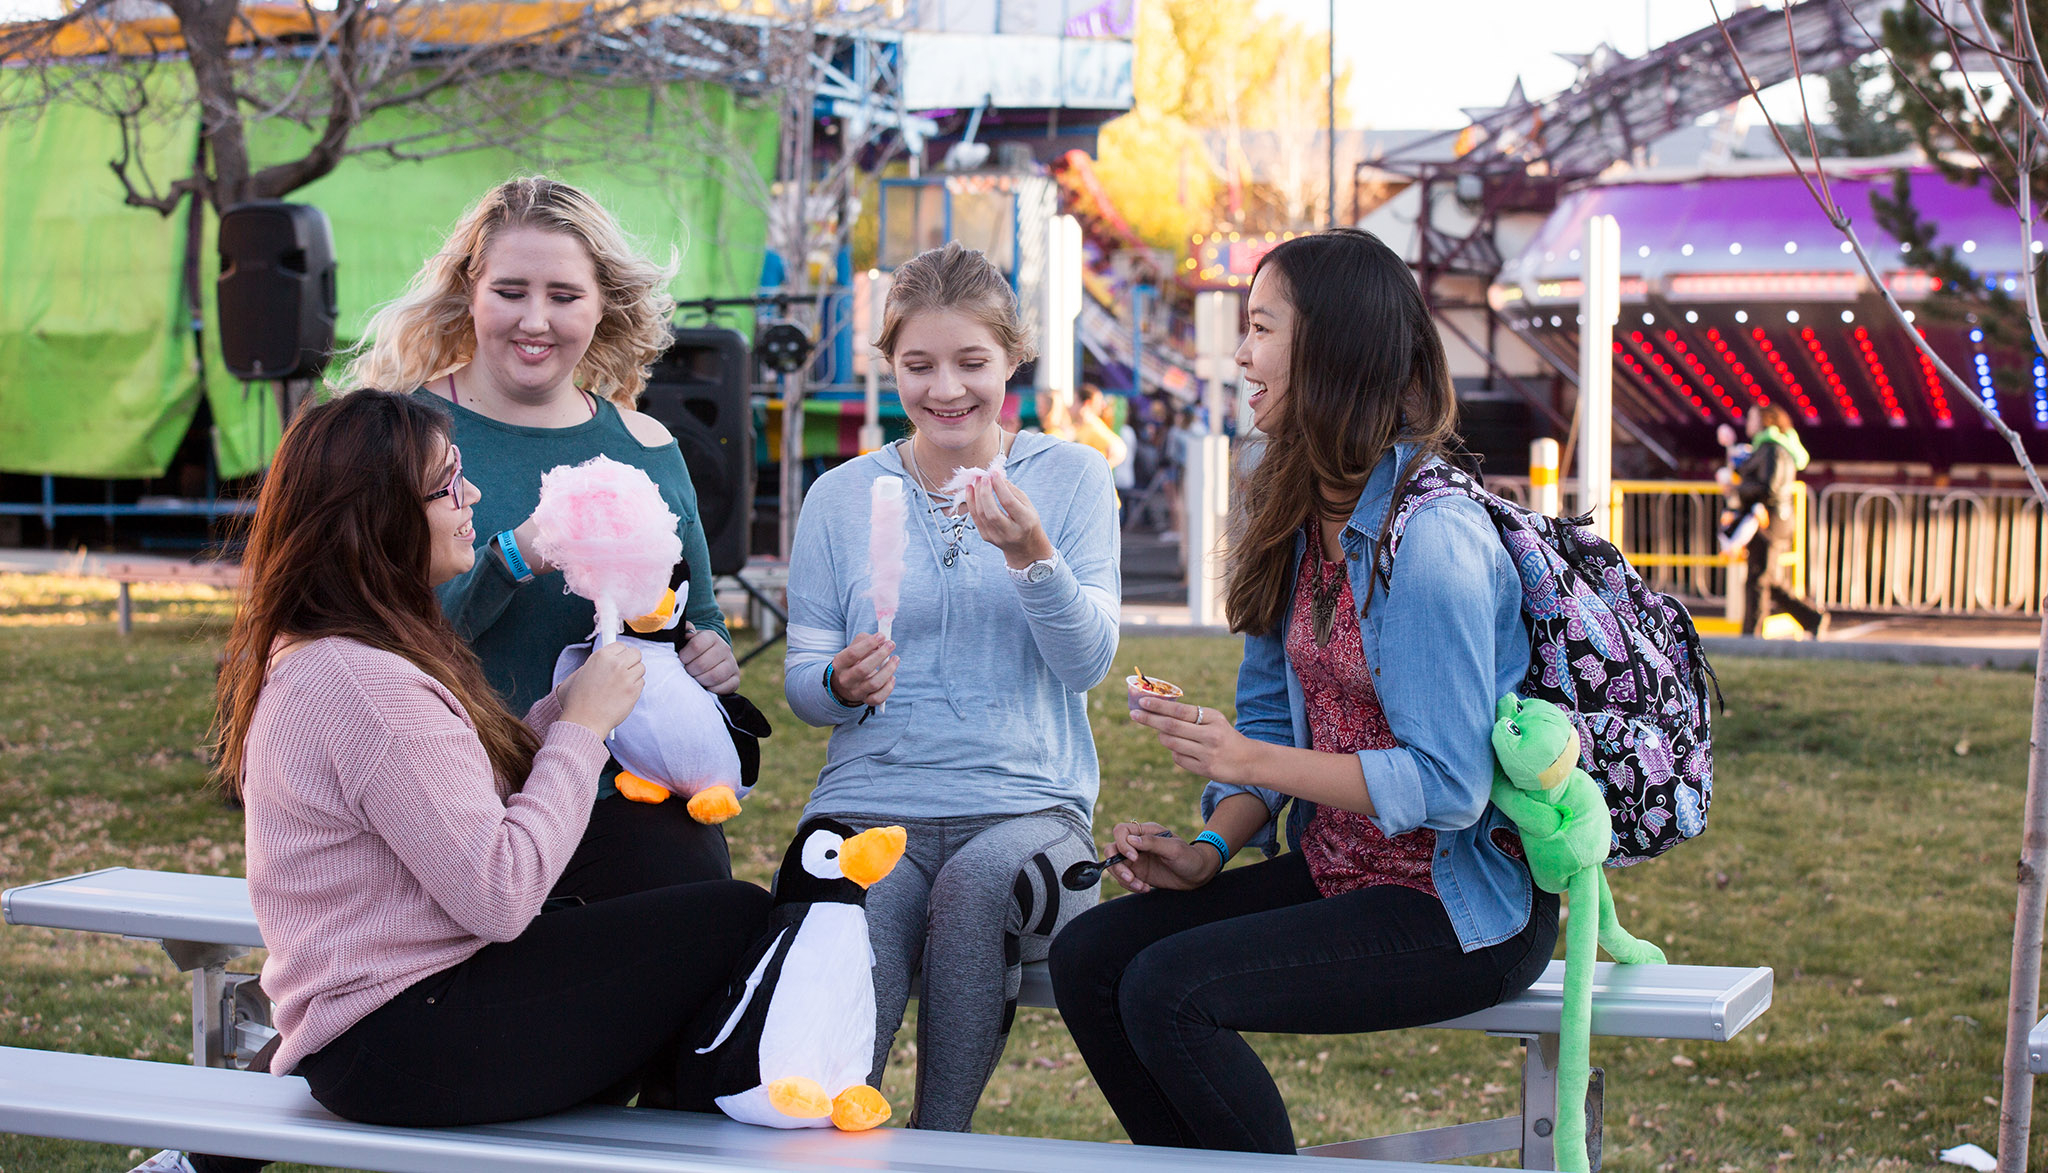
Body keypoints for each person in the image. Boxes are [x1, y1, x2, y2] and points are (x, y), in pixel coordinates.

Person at [137, 391, 770, 1173]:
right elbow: (499, 892)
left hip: (379, 1025)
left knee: (656, 888)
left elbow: (450, 804)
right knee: (735, 921)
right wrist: (583, 730)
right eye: (446, 487)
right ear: (376, 517)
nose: (471, 498)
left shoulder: (341, 653)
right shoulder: (366, 683)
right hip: (406, 1037)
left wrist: (556, 712)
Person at [1048, 229, 1558, 1155]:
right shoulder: (1289, 500)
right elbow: (1275, 721)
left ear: (1332, 347)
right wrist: (1209, 846)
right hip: (1338, 871)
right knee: (1089, 957)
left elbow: (1448, 787)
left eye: (1261, 329)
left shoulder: (1432, 536)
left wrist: (1247, 759)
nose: (1240, 354)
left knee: (1169, 990)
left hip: (1456, 904)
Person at [783, 242, 1121, 1131]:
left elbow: (1088, 663)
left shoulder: (1073, 478)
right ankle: (830, 1135)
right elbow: (802, 685)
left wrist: (1033, 557)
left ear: (1013, 357)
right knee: (865, 896)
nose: (947, 390)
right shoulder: (841, 496)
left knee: (972, 889)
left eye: (972, 362)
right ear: (889, 362)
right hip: (870, 801)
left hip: (1029, 809)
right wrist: (838, 679)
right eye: (919, 365)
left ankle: (940, 1144)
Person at [348, 176, 741, 888]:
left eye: (564, 296)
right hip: (461, 811)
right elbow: (374, 647)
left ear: (602, 305)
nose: (535, 320)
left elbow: (697, 619)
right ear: (471, 291)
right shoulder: (399, 436)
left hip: (626, 804)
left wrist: (710, 655)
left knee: (714, 918)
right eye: (510, 291)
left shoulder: (647, 445)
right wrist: (512, 557)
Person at [1733, 402, 1827, 637]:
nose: (1748, 423)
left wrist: (1738, 489)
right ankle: (1811, 617)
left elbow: (1769, 487)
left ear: (1766, 420)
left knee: (1759, 578)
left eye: (1752, 418)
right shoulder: (1767, 447)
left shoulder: (1771, 448)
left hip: (1770, 519)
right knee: (1767, 578)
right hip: (1772, 518)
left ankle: (1751, 637)